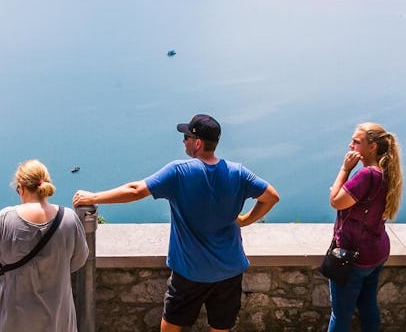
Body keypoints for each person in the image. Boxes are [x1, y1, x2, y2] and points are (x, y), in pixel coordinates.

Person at [72, 114, 280, 332]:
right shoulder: (238, 172)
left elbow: (136, 191)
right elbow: (271, 196)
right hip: (229, 270)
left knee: (171, 328)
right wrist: (245, 220)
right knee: (221, 328)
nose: (183, 141)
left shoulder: (180, 172)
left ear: (197, 143)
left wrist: (93, 197)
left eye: (186, 137)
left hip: (190, 273)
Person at [0, 159, 89, 332]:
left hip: (15, 319)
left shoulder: (4, 219)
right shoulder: (69, 218)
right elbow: (79, 260)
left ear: (21, 187)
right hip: (58, 317)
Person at [326, 123, 403, 332]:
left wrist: (345, 169)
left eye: (356, 142)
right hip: (376, 252)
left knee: (340, 314)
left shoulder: (367, 175)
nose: (350, 145)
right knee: (367, 305)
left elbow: (336, 201)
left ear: (373, 147)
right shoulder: (386, 172)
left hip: (354, 257)